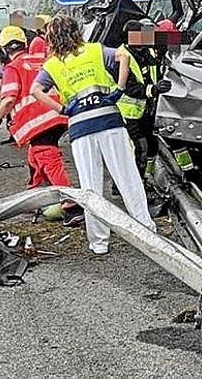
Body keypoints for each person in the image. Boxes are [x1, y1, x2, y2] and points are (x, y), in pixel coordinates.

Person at [30, 15, 157, 255]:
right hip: (109, 120)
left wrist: (61, 109)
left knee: (91, 186)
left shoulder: (53, 65)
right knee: (127, 177)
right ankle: (147, 232)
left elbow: (35, 90)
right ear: (76, 31)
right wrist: (119, 89)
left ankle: (99, 243)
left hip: (80, 128)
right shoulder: (95, 50)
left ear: (52, 38)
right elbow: (124, 56)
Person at [0, 26, 84, 227]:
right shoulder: (40, 61)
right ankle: (35, 192)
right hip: (57, 115)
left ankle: (71, 205)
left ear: (5, 49)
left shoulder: (12, 68)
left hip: (37, 122)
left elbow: (9, 99)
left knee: (48, 158)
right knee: (35, 154)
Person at [116, 19, 171, 182]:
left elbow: (155, 72)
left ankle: (146, 179)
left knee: (152, 146)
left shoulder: (148, 51)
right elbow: (129, 87)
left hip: (146, 109)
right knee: (140, 147)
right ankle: (132, 184)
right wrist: (154, 90)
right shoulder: (122, 56)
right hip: (128, 113)